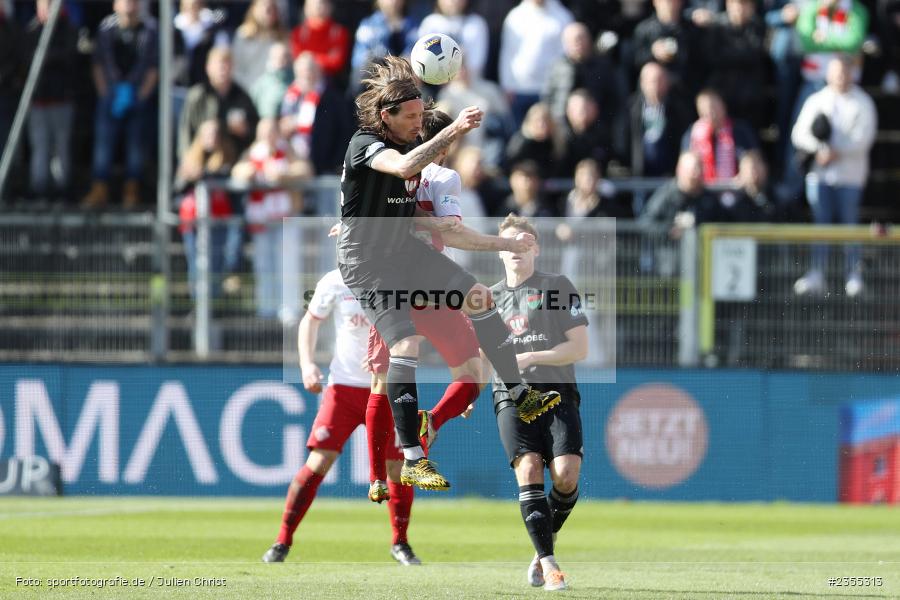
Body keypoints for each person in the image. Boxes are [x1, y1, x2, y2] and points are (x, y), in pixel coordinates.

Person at [337, 56, 562, 492]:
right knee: (405, 344)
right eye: (414, 117)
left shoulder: (411, 145)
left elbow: (422, 213)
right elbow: (401, 170)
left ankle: (519, 392)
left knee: (480, 296)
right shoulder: (365, 142)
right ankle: (413, 458)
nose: (420, 124)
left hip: (403, 250)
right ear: (387, 117)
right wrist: (454, 128)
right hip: (367, 263)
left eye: (424, 116)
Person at [261, 268, 422, 566]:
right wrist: (306, 364)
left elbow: (421, 327)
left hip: (389, 386)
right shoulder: (334, 281)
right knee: (319, 461)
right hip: (344, 388)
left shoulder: (399, 278)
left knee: (397, 469)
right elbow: (310, 321)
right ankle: (282, 540)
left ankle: (400, 542)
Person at [483, 214, 590, 592]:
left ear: (536, 249)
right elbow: (478, 356)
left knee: (566, 475)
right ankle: (549, 563)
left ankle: (544, 540)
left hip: (557, 393)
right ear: (500, 251)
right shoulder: (487, 298)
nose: (517, 247)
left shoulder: (556, 286)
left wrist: (531, 358)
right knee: (528, 468)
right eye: (509, 242)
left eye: (525, 241)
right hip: (510, 395)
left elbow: (579, 347)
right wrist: (461, 395)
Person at [791, 55, 877, 297]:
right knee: (821, 226)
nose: (840, 76)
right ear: (828, 73)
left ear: (852, 73)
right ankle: (817, 272)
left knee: (850, 226)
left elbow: (864, 138)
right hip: (819, 177)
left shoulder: (863, 102)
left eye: (844, 72)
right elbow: (799, 134)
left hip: (850, 176)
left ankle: (853, 274)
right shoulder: (817, 100)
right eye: (836, 72)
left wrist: (837, 152)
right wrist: (819, 150)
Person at [231, 118, 311, 322]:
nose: (267, 135)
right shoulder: (252, 152)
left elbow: (305, 170)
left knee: (288, 263)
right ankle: (266, 307)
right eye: (263, 131)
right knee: (263, 264)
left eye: (271, 131)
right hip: (261, 219)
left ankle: (289, 309)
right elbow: (237, 171)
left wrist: (282, 175)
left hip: (287, 216)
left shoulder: (289, 150)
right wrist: (248, 173)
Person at [81, 0, 159, 209]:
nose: (129, 5)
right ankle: (100, 188)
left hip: (137, 95)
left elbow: (153, 66)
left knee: (135, 146)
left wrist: (141, 95)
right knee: (103, 145)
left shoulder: (150, 30)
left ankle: (131, 190)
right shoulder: (106, 29)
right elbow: (98, 63)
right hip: (110, 95)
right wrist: (106, 93)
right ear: (115, 5)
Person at [24, 0, 78, 200]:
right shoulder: (31, 29)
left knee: (61, 148)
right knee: (40, 147)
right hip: (38, 102)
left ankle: (62, 190)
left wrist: (45, 57)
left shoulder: (68, 28)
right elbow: (26, 59)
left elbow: (68, 57)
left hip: (62, 99)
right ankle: (38, 189)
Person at [178, 47, 259, 161]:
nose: (223, 69)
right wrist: (186, 158)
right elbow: (185, 130)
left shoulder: (242, 96)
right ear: (208, 68)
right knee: (210, 129)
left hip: (233, 158)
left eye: (227, 65)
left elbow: (254, 131)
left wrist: (245, 130)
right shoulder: (198, 96)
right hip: (200, 158)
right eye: (219, 65)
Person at [231, 0, 289, 92]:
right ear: (254, 9)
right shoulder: (243, 35)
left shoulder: (282, 37)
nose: (267, 11)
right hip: (247, 90)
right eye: (263, 6)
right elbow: (236, 68)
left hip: (274, 90)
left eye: (271, 8)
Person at [289, 0, 350, 78]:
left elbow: (336, 62)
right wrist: (324, 59)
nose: (319, 7)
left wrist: (311, 57)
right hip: (303, 78)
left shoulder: (338, 32)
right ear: (306, 7)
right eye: (314, 4)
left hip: (329, 80)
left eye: (323, 3)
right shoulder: (298, 33)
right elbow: (297, 60)